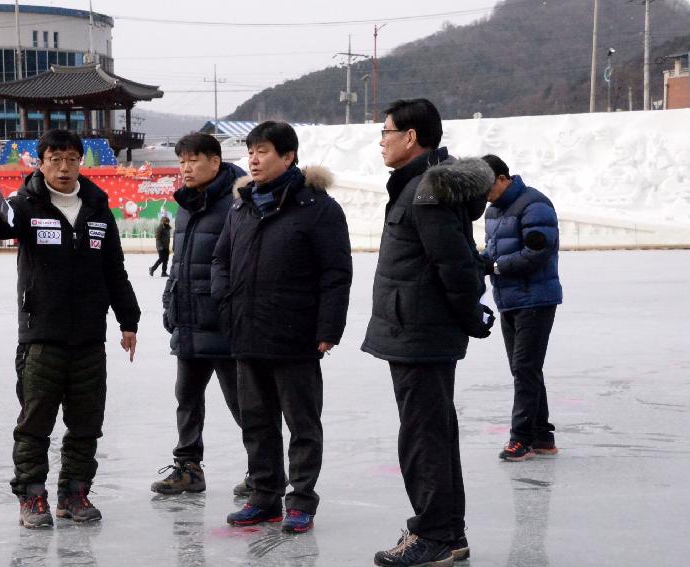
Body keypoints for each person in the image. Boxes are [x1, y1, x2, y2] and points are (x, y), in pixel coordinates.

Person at [0, 129, 140, 529]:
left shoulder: (98, 209)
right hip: (41, 336)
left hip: (88, 339)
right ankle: (32, 497)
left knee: (86, 423)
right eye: (55, 159)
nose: (64, 167)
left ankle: (75, 494)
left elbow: (114, 270)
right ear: (40, 163)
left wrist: (128, 320)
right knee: (35, 422)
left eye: (71, 159)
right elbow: (0, 226)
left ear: (81, 162)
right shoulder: (25, 205)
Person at [361, 99, 495, 567]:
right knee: (431, 431)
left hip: (420, 332)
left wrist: (467, 318)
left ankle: (435, 535)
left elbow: (455, 264)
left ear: (411, 137)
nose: (381, 141)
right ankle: (446, 532)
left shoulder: (426, 190)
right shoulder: (419, 186)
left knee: (423, 436)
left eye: (387, 131)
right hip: (415, 328)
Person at [212, 121, 352, 534]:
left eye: (264, 151)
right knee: (256, 423)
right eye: (250, 151)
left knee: (302, 424)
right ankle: (264, 496)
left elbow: (335, 273)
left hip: (296, 334)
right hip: (246, 332)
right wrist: (226, 302)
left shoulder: (317, 207)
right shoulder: (241, 206)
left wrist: (329, 327)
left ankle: (301, 500)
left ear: (289, 156)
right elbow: (220, 260)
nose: (253, 159)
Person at [151, 133, 249, 496]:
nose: (186, 168)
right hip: (189, 318)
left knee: (244, 404)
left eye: (194, 160)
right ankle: (188, 467)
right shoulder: (185, 204)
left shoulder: (238, 202)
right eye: (181, 161)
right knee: (187, 399)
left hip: (223, 323)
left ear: (215, 161)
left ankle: (263, 471)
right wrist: (170, 301)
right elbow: (180, 262)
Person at [480, 154, 563, 462]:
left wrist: (497, 267)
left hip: (536, 299)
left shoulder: (534, 204)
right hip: (509, 301)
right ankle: (542, 436)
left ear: (503, 178)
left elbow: (538, 250)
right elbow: (494, 250)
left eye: (487, 185)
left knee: (525, 369)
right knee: (525, 369)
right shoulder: (493, 211)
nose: (485, 193)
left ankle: (521, 439)